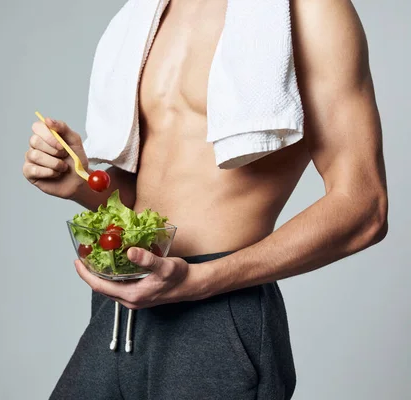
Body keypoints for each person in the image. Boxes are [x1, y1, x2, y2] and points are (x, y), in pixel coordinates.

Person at [22, 0, 388, 398]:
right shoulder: (145, 14)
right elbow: (146, 199)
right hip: (123, 308)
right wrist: (77, 183)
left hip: (219, 310)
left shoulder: (309, 9)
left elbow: (363, 206)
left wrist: (199, 282)